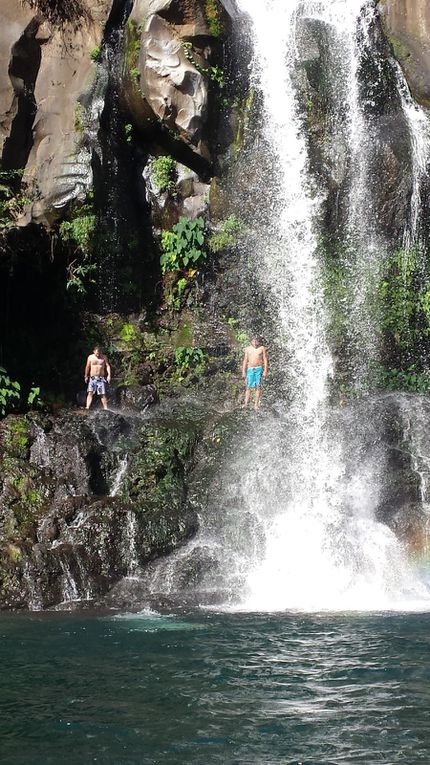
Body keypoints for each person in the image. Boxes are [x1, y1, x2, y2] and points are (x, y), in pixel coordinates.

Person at [242, 336, 268, 409]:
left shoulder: (262, 348)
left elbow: (265, 359)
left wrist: (265, 370)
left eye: (256, 341)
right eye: (253, 341)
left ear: (259, 342)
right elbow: (245, 360)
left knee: (258, 387)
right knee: (248, 387)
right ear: (251, 341)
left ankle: (256, 405)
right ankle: (246, 403)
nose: (255, 343)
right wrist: (243, 371)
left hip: (258, 369)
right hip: (250, 369)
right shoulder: (248, 349)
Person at [84, 346, 111, 410]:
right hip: (92, 378)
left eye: (99, 353)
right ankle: (87, 406)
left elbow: (107, 366)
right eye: (96, 353)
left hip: (101, 378)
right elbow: (87, 367)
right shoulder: (90, 357)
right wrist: (86, 376)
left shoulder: (104, 357)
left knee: (102, 394)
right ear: (94, 352)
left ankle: (105, 408)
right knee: (90, 392)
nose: (98, 355)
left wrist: (109, 375)